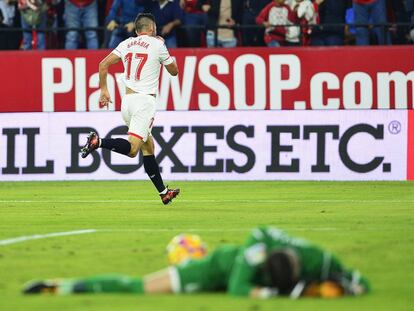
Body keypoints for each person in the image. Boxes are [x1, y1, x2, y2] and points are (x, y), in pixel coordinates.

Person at [23, 227, 369, 298]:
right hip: (216, 268)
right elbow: (237, 291)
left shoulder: (320, 260)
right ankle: (60, 286)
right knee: (140, 288)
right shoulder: (252, 258)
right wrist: (290, 295)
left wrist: (353, 287)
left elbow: (358, 280)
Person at [80, 13, 180, 205]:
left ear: (136, 30)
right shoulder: (158, 44)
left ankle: (163, 192)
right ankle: (98, 141)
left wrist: (104, 91)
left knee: (148, 145)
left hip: (127, 102)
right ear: (152, 29)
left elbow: (103, 65)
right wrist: (169, 55)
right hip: (144, 102)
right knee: (133, 149)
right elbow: (174, 71)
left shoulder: (126, 43)